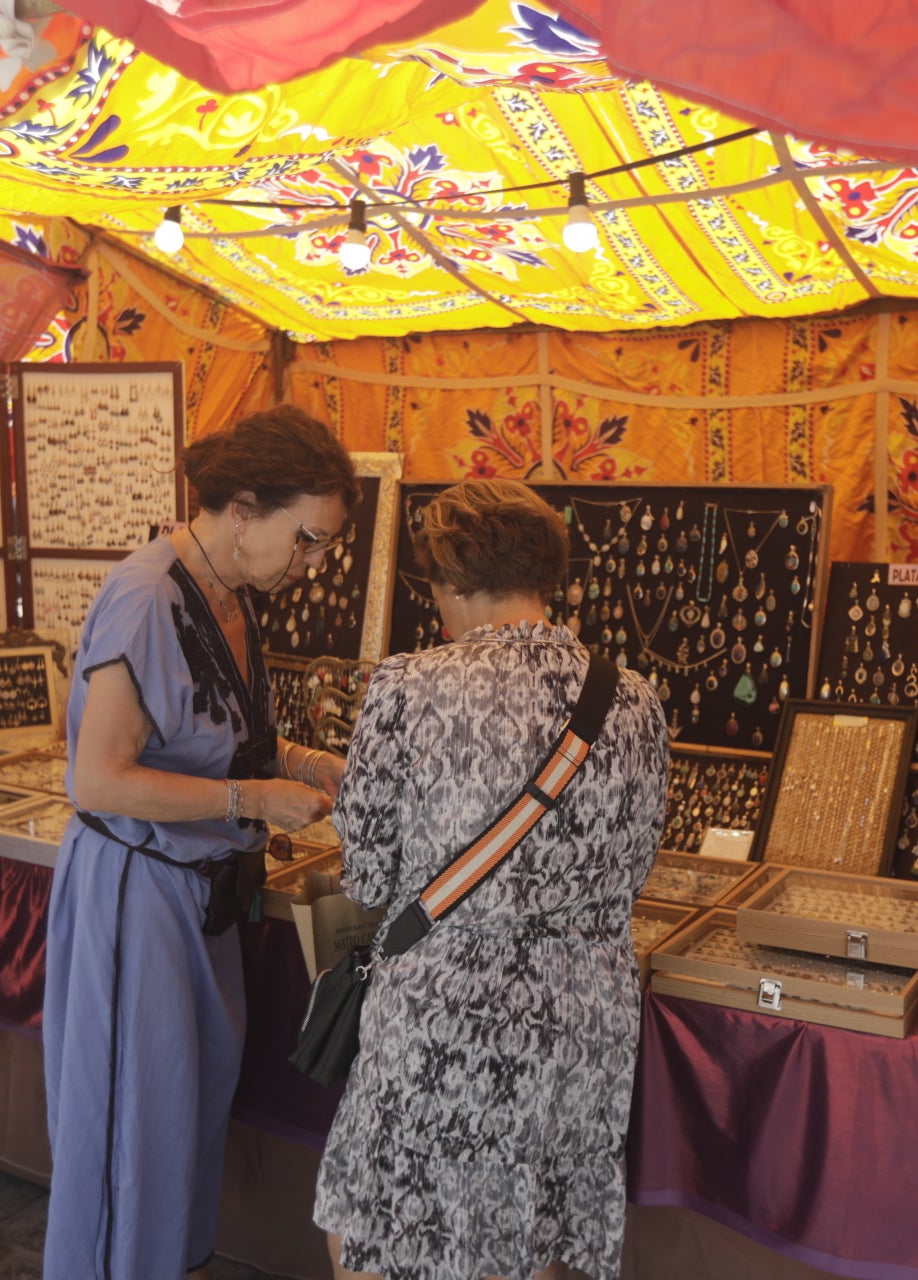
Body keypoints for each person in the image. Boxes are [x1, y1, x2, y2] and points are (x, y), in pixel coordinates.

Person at [313, 479, 670, 1280]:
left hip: (447, 1012)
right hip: (584, 1015)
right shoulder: (635, 699)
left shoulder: (407, 686)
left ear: (447, 578)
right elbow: (635, 870)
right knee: (537, 1240)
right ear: (550, 576)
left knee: (382, 1227)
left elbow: (367, 876)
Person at [43, 404, 355, 1278]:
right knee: (130, 1126)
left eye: (324, 547)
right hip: (136, 893)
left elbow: (220, 731)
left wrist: (303, 758)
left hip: (200, 892)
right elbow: (97, 778)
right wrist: (251, 794)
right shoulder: (146, 597)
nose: (314, 564)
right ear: (245, 508)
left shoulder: (232, 597)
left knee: (182, 1114)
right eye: (309, 540)